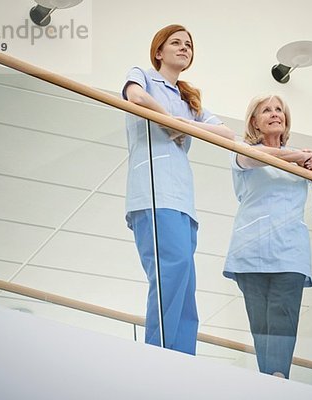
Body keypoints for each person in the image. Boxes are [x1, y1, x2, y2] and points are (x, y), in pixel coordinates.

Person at [122, 24, 234, 355]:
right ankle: (159, 354)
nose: (184, 48)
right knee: (170, 272)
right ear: (159, 51)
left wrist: (183, 123)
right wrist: (170, 120)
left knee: (185, 279)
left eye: (188, 44)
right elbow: (135, 97)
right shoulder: (142, 74)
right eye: (176, 43)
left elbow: (227, 134)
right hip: (153, 193)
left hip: (183, 200)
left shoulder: (189, 99)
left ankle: (184, 358)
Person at [223, 94, 312, 378]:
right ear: (254, 122)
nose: (274, 114)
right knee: (261, 324)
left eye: (279, 110)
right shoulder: (242, 150)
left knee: (283, 317)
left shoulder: (306, 159)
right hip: (250, 252)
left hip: (289, 253)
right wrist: (297, 157)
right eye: (266, 110)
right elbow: (256, 158)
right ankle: (270, 379)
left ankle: (278, 378)